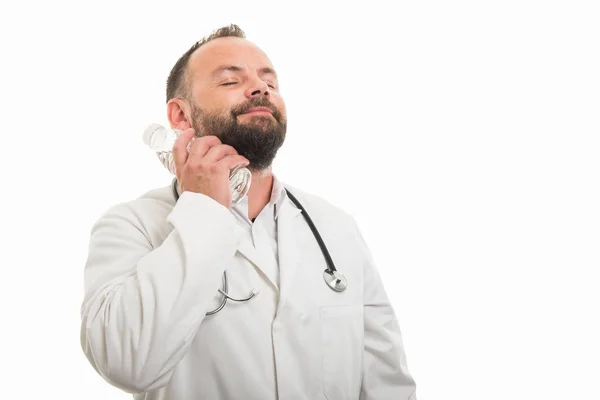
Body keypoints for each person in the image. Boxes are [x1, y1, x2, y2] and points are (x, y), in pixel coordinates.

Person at [80, 24, 417, 400]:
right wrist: (204, 208)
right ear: (180, 116)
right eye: (229, 81)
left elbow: (388, 385)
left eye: (269, 81)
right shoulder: (130, 226)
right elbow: (128, 364)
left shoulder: (336, 228)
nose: (261, 89)